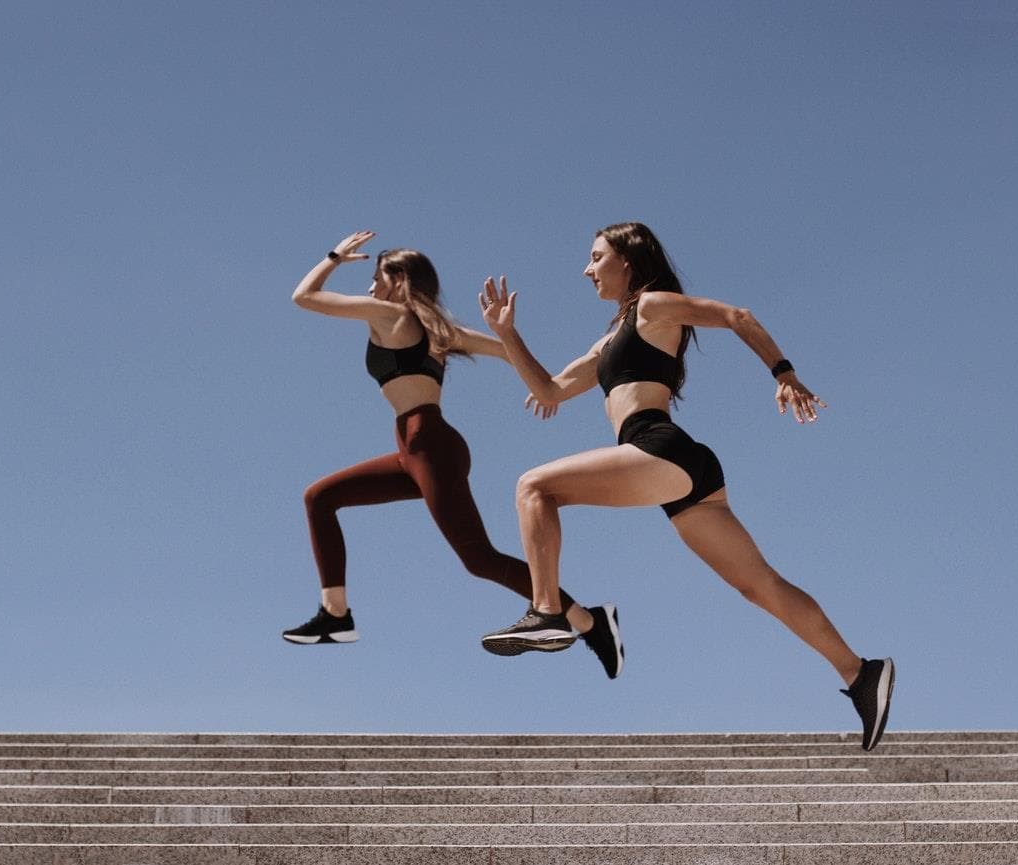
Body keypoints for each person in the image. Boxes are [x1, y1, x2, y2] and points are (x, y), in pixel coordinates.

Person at [477, 221, 894, 750]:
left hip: (659, 448)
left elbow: (736, 316)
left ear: (627, 260)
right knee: (758, 585)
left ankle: (548, 613)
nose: (587, 269)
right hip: (682, 471)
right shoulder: (609, 340)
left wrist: (783, 372)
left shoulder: (654, 306)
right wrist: (508, 333)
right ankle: (860, 673)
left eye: (596, 257)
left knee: (533, 487)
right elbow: (551, 390)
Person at [282, 231, 625, 679]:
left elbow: (304, 297)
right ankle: (336, 614)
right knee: (320, 497)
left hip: (431, 446)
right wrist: (544, 387)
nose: (369, 287)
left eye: (376, 277)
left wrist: (333, 257)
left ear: (398, 279)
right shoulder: (442, 332)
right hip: (415, 448)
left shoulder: (388, 315)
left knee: (479, 558)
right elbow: (505, 350)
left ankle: (589, 621)